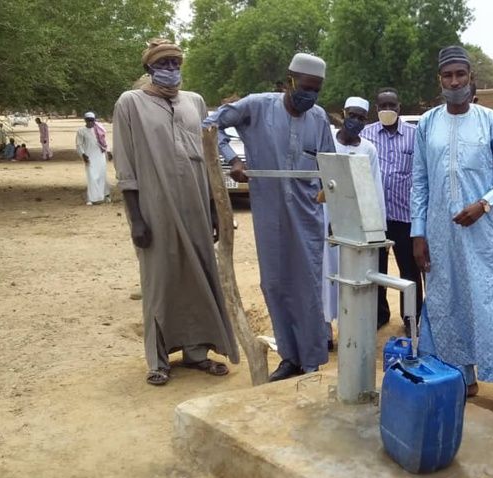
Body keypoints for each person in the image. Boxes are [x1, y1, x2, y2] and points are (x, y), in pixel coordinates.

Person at [112, 38, 239, 385]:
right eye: (163, 63)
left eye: (175, 62)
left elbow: (209, 159)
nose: (171, 69)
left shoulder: (194, 102)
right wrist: (136, 218)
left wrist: (215, 210)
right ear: (149, 68)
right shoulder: (130, 104)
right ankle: (159, 360)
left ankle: (197, 352)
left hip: (196, 206)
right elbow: (126, 166)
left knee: (198, 275)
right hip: (155, 207)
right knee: (160, 281)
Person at [204, 52, 335, 382]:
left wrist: (331, 198)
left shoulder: (318, 118)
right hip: (269, 212)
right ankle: (289, 357)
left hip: (307, 215)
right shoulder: (257, 106)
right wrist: (234, 159)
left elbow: (331, 165)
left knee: (306, 286)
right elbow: (211, 125)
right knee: (275, 283)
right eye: (305, 87)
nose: (310, 95)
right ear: (288, 81)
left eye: (316, 89)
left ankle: (311, 360)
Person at [411, 46, 493, 421]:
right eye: (448, 76)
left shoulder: (490, 122)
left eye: (461, 75)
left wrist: (484, 203)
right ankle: (462, 378)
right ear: (440, 80)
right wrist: (418, 233)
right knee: (448, 304)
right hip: (440, 236)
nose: (455, 82)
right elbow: (420, 183)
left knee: (488, 306)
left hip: (483, 234)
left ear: (471, 77)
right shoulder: (426, 124)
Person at [323, 96, 386, 341]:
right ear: (343, 113)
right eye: (352, 115)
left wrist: (375, 227)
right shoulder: (327, 142)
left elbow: (373, 188)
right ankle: (325, 331)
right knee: (326, 274)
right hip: (326, 217)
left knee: (353, 276)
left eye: (361, 118)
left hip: (355, 222)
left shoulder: (368, 149)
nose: (356, 121)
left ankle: (352, 330)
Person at [361, 87, 422, 334]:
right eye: (383, 106)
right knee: (376, 269)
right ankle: (379, 314)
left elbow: (420, 173)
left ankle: (411, 317)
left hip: (404, 215)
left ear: (400, 108)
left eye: (392, 106)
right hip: (375, 215)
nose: (388, 110)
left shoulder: (414, 135)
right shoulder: (366, 134)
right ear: (377, 109)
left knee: (409, 269)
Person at [76, 112, 110, 205]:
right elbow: (79, 144)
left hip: (100, 156)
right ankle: (92, 198)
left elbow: (104, 141)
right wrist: (83, 154)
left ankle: (105, 195)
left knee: (102, 175)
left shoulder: (99, 128)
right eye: (88, 120)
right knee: (91, 176)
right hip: (89, 156)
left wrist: (108, 151)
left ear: (94, 120)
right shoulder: (81, 131)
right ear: (85, 120)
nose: (90, 122)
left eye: (92, 120)